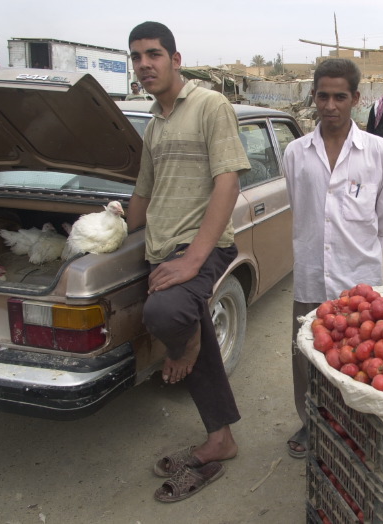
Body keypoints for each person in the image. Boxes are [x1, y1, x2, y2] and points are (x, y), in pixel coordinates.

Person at [126, 21, 251, 503]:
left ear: (176, 59)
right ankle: (221, 438)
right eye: (136, 57)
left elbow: (228, 182)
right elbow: (143, 191)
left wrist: (194, 260)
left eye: (154, 54)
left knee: (164, 314)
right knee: (182, 314)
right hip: (164, 248)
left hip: (203, 245)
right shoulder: (154, 123)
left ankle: (188, 343)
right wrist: (113, 228)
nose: (145, 65)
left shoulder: (210, 105)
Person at [283, 58, 383, 458]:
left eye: (340, 96)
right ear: (313, 97)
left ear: (355, 98)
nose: (330, 105)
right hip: (311, 276)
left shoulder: (378, 152)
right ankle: (309, 422)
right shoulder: (296, 153)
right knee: (307, 355)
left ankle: (355, 423)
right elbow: (297, 209)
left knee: (363, 358)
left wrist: (359, 243)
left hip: (360, 280)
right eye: (323, 96)